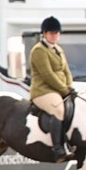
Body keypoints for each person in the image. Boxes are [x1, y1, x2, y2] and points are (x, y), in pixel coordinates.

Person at [29, 16, 74, 161]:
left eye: (56, 33)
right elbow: (47, 74)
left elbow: (66, 71)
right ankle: (58, 148)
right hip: (43, 91)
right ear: (44, 34)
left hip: (59, 89)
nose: (54, 36)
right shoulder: (39, 50)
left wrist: (70, 86)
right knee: (59, 109)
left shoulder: (58, 49)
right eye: (51, 33)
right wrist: (65, 90)